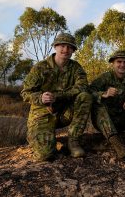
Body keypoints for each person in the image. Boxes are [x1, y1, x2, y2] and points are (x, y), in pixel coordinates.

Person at [21, 33, 92, 161]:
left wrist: (58, 96)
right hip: (43, 114)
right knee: (45, 155)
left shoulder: (76, 68)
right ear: (55, 47)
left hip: (63, 113)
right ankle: (37, 135)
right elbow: (25, 93)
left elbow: (83, 87)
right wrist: (40, 98)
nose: (66, 50)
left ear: (73, 50)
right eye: (62, 46)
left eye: (70, 47)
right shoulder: (40, 68)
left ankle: (73, 142)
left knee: (85, 97)